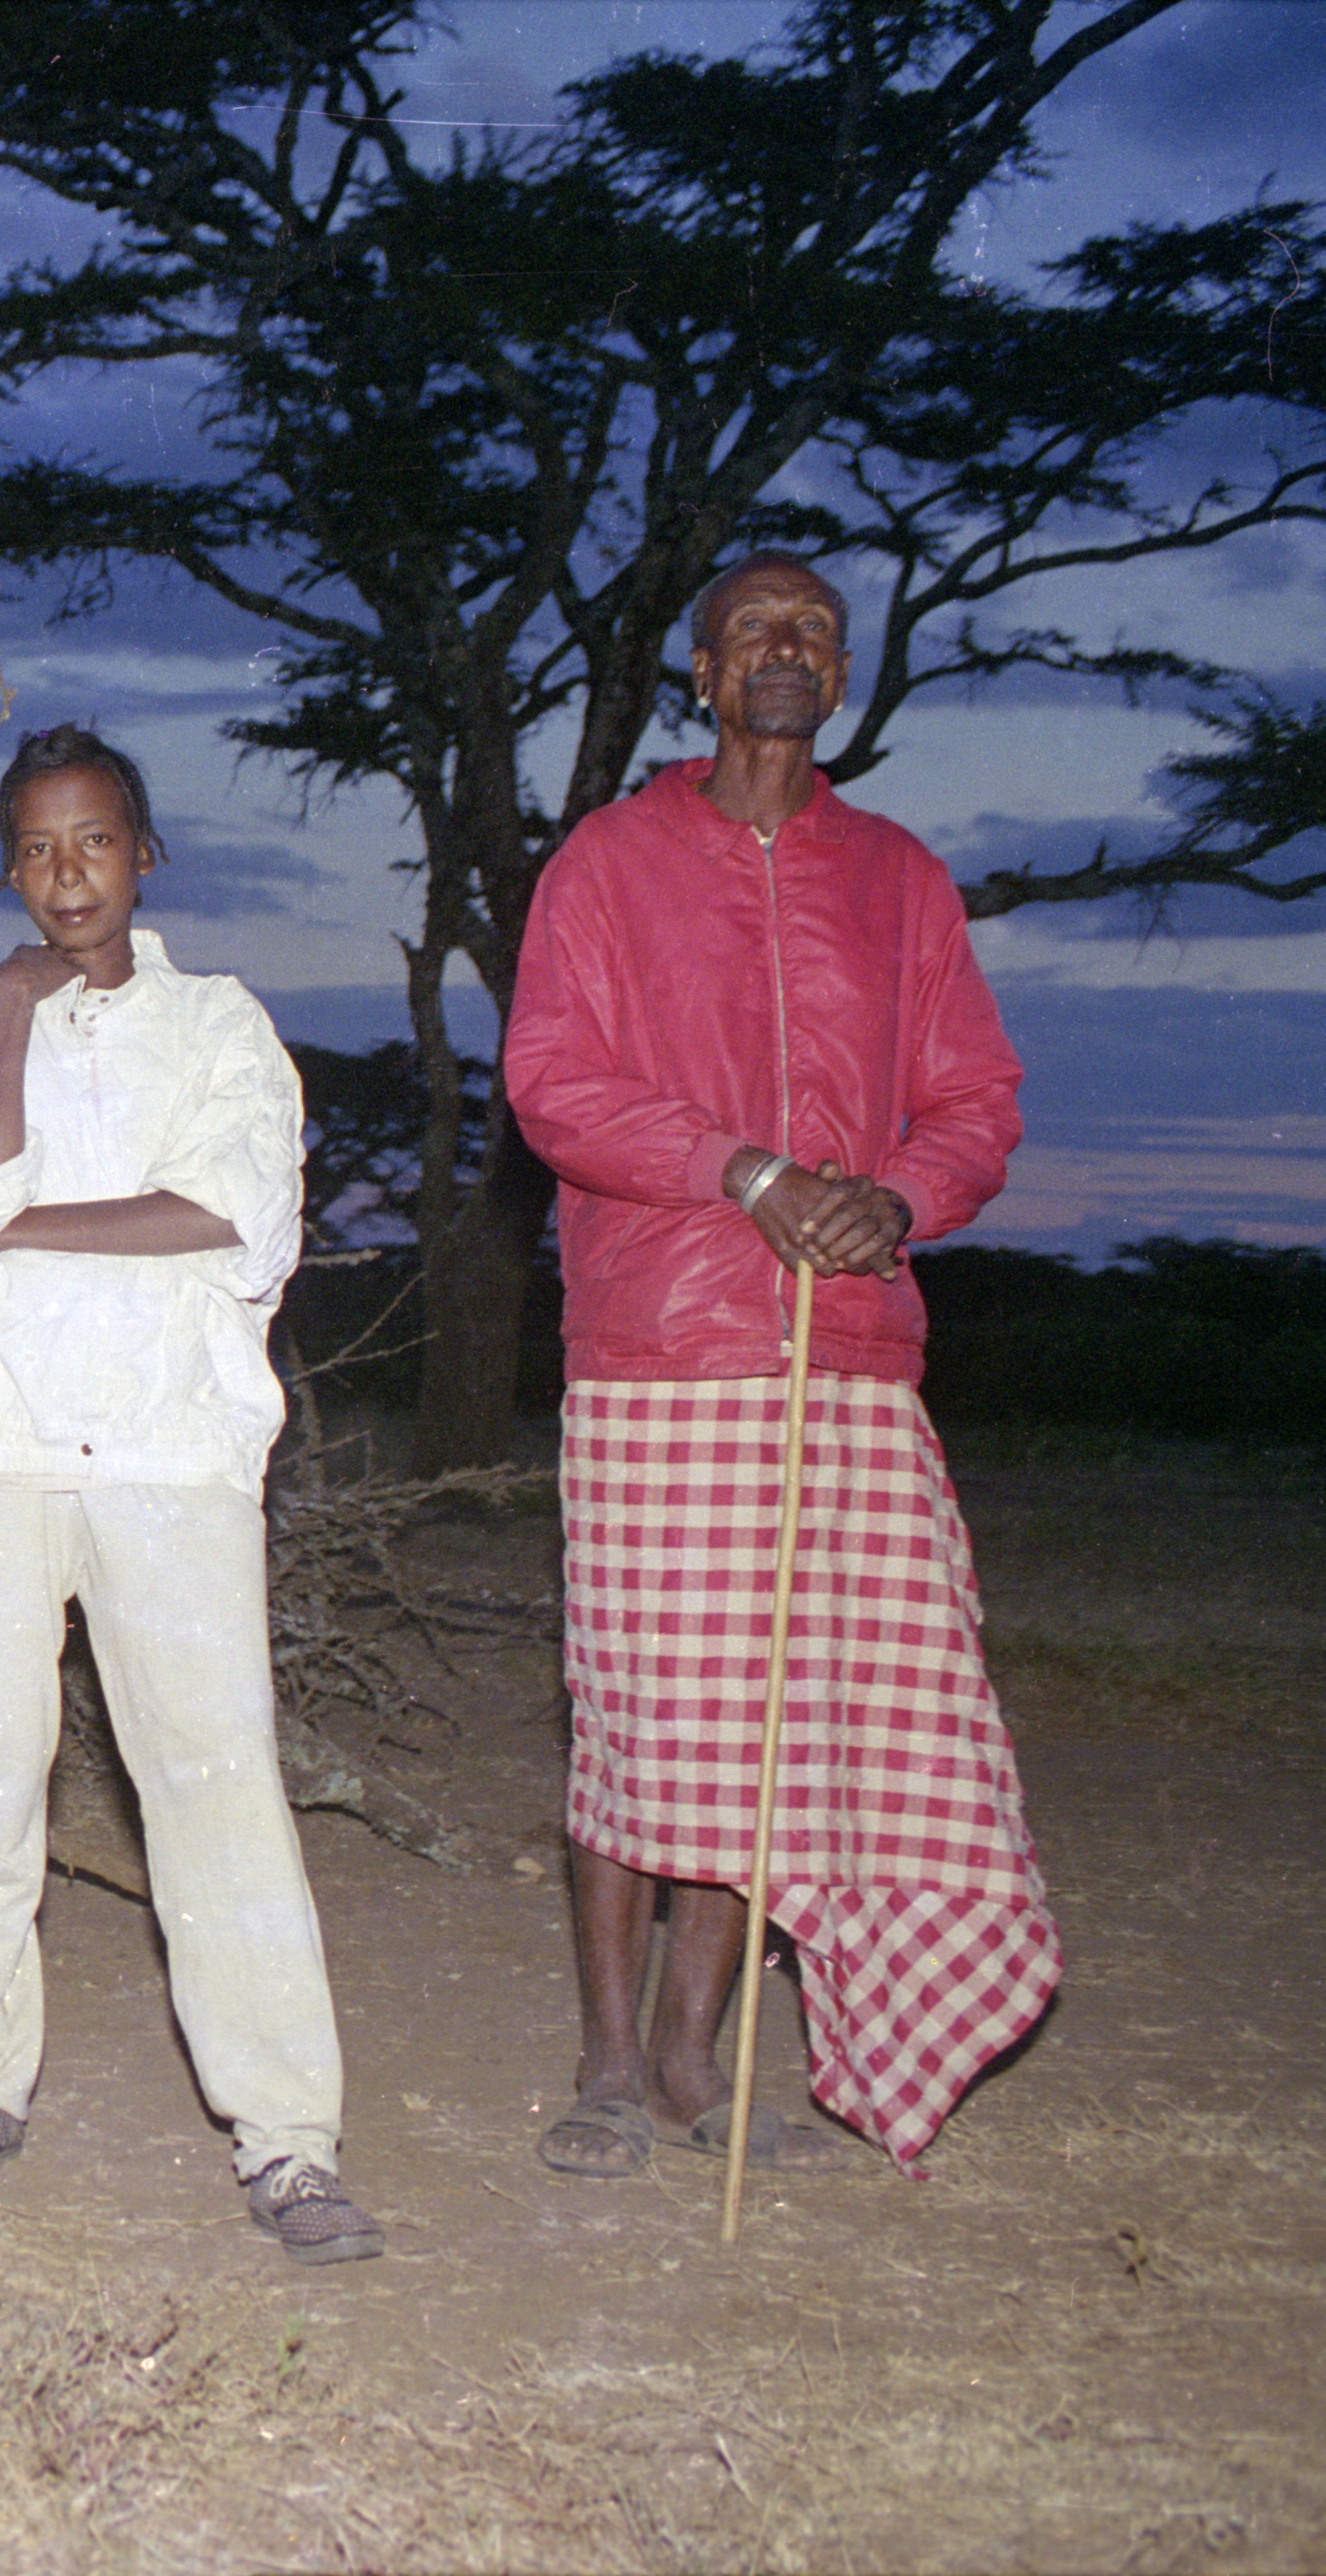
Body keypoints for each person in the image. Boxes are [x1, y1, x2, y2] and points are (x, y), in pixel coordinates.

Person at [506, 549, 1058, 2181]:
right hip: (661, 1343)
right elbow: (552, 1081)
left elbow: (973, 1105)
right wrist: (749, 1176)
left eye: (813, 632)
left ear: (839, 677)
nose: (784, 650)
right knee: (646, 1716)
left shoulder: (897, 880)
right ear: (696, 669)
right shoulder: (606, 863)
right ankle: (608, 2063)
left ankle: (697, 2058)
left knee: (780, 1726)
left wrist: (894, 1201)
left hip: (849, 1354)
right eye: (753, 627)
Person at [0, 725, 381, 2264]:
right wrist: (14, 1024)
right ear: (9, 873)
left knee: (213, 1787)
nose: (65, 873)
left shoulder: (223, 1026)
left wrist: (8, 1240)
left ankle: (285, 2135)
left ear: (141, 854)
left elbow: (226, 1208)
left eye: (92, 841)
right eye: (34, 850)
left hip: (167, 1453)